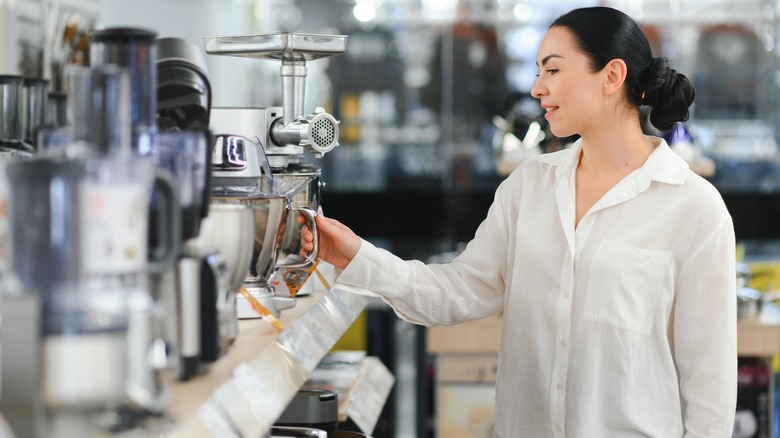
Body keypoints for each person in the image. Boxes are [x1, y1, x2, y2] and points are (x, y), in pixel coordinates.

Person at [301, 6, 736, 437]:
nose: (537, 89)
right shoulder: (530, 186)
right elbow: (457, 292)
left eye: (552, 70)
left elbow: (709, 385)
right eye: (538, 72)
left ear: (611, 76)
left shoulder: (694, 207)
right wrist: (357, 255)